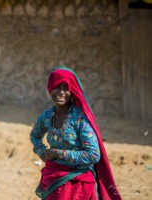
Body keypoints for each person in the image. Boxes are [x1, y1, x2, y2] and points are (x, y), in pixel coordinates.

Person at [30, 66, 121, 200]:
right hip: (53, 178)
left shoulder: (80, 119)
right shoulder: (47, 116)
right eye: (57, 86)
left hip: (77, 182)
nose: (61, 92)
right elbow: (35, 136)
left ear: (72, 91)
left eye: (65, 88)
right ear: (50, 88)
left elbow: (93, 155)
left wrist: (59, 153)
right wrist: (42, 152)